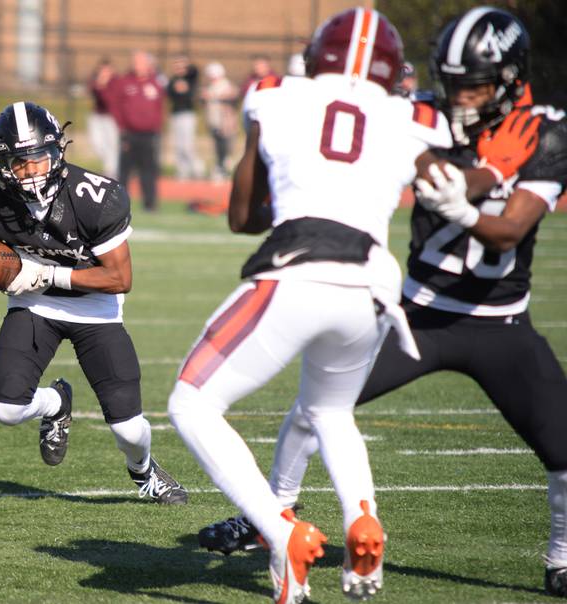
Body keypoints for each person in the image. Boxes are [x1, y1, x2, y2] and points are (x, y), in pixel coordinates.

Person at [196, 7, 567, 599]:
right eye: (452, 84)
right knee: (313, 410)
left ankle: (561, 557)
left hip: (500, 321)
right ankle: (270, 517)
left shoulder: (544, 130)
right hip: (417, 313)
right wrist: (486, 172)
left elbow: (509, 230)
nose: (459, 98)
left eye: (473, 86)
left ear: (508, 78)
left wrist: (473, 193)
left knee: (562, 446)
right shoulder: (424, 115)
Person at [167, 8, 470, 601]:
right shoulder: (413, 116)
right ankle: (363, 521)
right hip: (373, 284)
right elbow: (443, 181)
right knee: (331, 412)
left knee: (191, 402)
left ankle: (280, 531)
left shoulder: (276, 95)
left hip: (299, 267)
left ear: (316, 57)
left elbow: (242, 216)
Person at [0, 101, 187, 505]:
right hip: (34, 305)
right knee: (6, 408)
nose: (32, 171)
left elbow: (119, 279)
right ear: (2, 165)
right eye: (20, 163)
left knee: (128, 430)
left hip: (96, 309)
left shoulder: (95, 196)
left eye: (40, 159)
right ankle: (56, 403)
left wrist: (48, 274)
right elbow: (0, 264)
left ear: (58, 152)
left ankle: (144, 472)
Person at [103, 50, 164, 212]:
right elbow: (114, 105)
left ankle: (150, 203)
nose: (138, 65)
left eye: (141, 62)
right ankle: (120, 205)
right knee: (125, 170)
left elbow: (159, 107)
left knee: (148, 170)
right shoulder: (124, 82)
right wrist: (121, 127)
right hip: (129, 133)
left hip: (149, 134)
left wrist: (158, 127)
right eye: (135, 62)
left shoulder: (155, 83)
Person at [200, 62, 238, 181]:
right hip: (214, 121)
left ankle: (223, 169)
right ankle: (220, 168)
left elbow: (232, 96)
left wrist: (213, 96)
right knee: (217, 147)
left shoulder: (226, 84)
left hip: (224, 122)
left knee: (224, 146)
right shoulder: (211, 86)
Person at [166, 54, 202, 180]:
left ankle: (197, 169)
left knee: (188, 145)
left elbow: (195, 70)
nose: (179, 68)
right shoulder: (173, 80)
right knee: (178, 145)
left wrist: (186, 65)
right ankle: (182, 170)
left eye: (181, 65)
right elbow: (169, 93)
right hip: (176, 114)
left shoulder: (190, 77)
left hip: (188, 114)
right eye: (176, 65)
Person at [87, 58, 119, 179]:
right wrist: (99, 85)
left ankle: (111, 172)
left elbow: (109, 99)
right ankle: (110, 167)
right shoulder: (96, 81)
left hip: (111, 117)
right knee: (97, 144)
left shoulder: (115, 82)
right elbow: (91, 90)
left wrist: (103, 87)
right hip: (97, 116)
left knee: (112, 145)